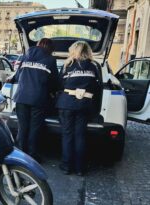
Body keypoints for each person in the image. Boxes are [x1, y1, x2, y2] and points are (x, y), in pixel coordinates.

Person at [8, 38, 58, 162]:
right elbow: (54, 81)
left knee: (23, 127)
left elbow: (18, 76)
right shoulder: (51, 60)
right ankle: (32, 155)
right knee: (34, 128)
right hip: (38, 99)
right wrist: (52, 92)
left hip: (21, 97)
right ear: (50, 49)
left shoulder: (25, 57)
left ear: (38, 45)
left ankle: (19, 154)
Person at [56, 41, 101, 176]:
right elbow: (97, 87)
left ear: (73, 51)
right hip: (84, 105)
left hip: (66, 104)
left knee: (67, 135)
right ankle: (80, 168)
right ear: (88, 52)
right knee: (80, 135)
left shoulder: (67, 65)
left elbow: (60, 84)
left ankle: (66, 166)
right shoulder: (94, 67)